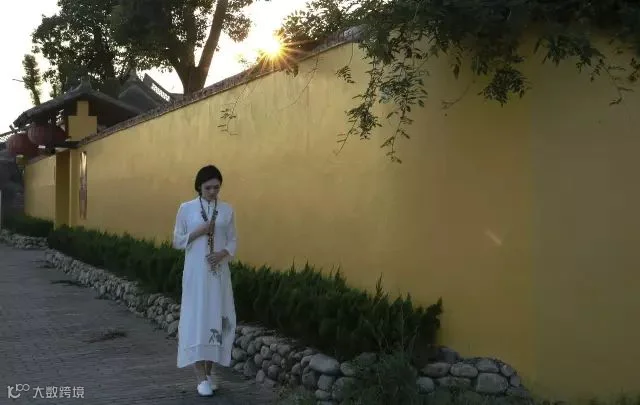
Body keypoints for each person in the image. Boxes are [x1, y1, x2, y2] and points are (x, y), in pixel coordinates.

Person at [172, 165, 238, 397]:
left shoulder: (227, 210)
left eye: (216, 187)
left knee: (217, 318)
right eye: (208, 187)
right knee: (197, 320)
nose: (212, 192)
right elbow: (177, 241)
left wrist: (222, 254)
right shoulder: (186, 208)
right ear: (199, 187)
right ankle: (199, 376)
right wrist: (198, 232)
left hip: (219, 274)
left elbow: (233, 240)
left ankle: (209, 373)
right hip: (196, 275)